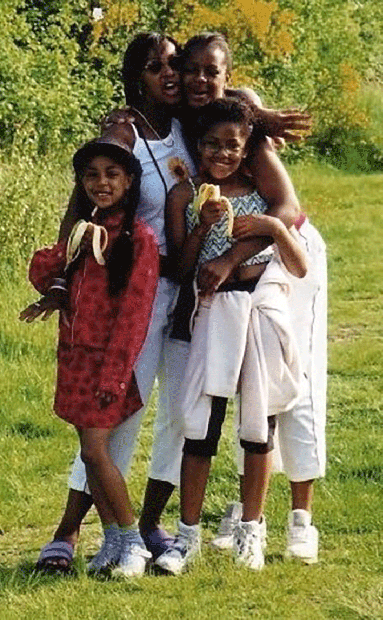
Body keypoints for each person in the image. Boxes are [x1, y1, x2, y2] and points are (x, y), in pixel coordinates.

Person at [26, 31, 310, 572]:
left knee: (182, 417)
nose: (171, 74)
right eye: (157, 67)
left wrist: (264, 114)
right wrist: (61, 277)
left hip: (192, 294)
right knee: (116, 417)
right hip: (132, 295)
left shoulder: (193, 126)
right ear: (137, 76)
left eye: (174, 64)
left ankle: (153, 524)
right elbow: (82, 206)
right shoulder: (123, 132)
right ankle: (70, 532)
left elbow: (240, 117)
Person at [154, 98, 307, 575]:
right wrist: (202, 232)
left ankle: (251, 531)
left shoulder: (259, 196)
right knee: (202, 423)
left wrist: (263, 233)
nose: (221, 154)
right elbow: (179, 267)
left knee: (258, 426)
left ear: (247, 150)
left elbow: (295, 259)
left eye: (232, 146)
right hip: (213, 311)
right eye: (212, 145)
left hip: (257, 307)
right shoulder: (187, 194)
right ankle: (187, 536)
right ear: (197, 145)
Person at [20, 136, 159, 577]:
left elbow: (135, 316)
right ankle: (114, 543)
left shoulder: (139, 238)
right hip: (74, 361)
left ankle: (132, 540)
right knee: (89, 454)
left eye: (112, 174)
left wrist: (115, 376)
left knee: (98, 455)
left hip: (107, 365)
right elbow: (42, 269)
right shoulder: (87, 231)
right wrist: (73, 241)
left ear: (130, 180)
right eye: (91, 175)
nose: (101, 183)